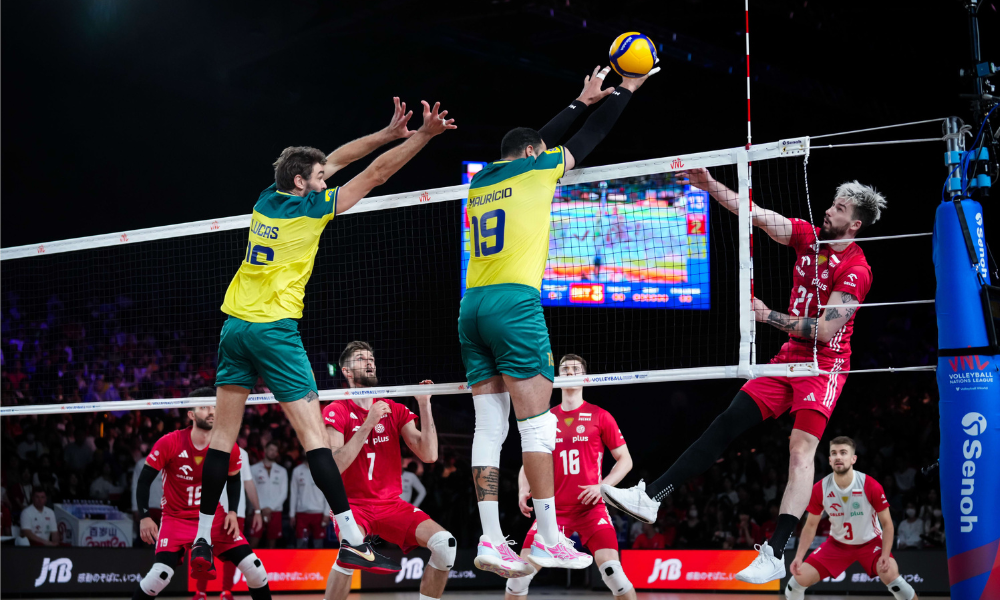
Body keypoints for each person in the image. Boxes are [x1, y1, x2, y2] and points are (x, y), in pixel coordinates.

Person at [193, 98, 456, 578]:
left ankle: (200, 538)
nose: (325, 181)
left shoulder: (265, 199)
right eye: (318, 179)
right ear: (302, 184)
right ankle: (353, 538)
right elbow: (372, 175)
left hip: (233, 328)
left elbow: (333, 159)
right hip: (274, 331)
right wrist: (422, 136)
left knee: (222, 441)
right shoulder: (314, 209)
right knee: (314, 438)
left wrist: (385, 132)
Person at [602, 172, 886, 584]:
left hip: (823, 366)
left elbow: (825, 331)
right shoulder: (808, 237)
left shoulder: (857, 269)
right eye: (832, 204)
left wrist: (765, 314)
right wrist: (709, 183)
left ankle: (775, 552)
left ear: (855, 224)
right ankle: (651, 497)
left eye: (839, 209)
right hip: (789, 358)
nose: (828, 210)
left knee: (800, 452)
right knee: (726, 423)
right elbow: (752, 213)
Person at [459, 64, 654, 577]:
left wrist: (581, 99)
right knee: (538, 427)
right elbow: (592, 137)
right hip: (514, 306)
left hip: (471, 307)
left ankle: (491, 540)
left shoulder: (483, 180)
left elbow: (532, 141)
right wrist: (624, 91)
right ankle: (547, 539)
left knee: (488, 430)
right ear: (532, 155)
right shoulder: (538, 168)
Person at [322, 341, 455, 600]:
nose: (369, 361)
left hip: (392, 505)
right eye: (361, 358)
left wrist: (424, 405)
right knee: (352, 549)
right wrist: (368, 423)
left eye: (371, 357)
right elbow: (334, 466)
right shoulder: (336, 410)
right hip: (353, 506)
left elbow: (429, 455)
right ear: (347, 372)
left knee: (445, 544)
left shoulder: (393, 408)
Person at [505, 354, 636, 599]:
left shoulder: (600, 416)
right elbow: (529, 463)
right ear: (558, 376)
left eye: (576, 369)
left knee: (614, 574)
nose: (570, 373)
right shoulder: (545, 419)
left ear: (585, 377)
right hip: (551, 512)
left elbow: (625, 460)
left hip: (591, 509)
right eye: (565, 369)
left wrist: (602, 487)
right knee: (517, 580)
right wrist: (523, 488)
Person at [132, 389, 272, 600]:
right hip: (176, 519)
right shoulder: (170, 442)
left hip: (215, 519)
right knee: (159, 576)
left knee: (256, 569)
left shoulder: (227, 445)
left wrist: (233, 511)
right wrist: (144, 517)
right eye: (204, 406)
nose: (211, 411)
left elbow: (234, 480)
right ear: (191, 414)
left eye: (214, 406)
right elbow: (143, 481)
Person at [785, 437, 918, 600]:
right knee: (794, 583)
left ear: (853, 459)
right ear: (829, 460)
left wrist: (885, 553)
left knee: (892, 577)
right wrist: (799, 557)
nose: (838, 457)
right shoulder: (820, 488)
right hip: (837, 545)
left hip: (870, 543)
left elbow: (887, 524)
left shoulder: (870, 485)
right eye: (834, 453)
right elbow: (810, 525)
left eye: (843, 453)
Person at [197, 446, 263, 600]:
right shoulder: (205, 449)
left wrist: (258, 511)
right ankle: (200, 592)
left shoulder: (242, 453)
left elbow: (248, 482)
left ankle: (226, 591)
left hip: (235, 512)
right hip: (209, 510)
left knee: (232, 553)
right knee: (203, 549)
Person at [249, 442, 287, 549]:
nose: (273, 453)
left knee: (272, 544)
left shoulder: (282, 471)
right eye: (271, 449)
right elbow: (251, 491)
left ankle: (270, 565)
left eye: (275, 451)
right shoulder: (253, 469)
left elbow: (283, 493)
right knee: (253, 542)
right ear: (265, 450)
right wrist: (260, 508)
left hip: (275, 511)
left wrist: (270, 508)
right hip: (258, 510)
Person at [289, 460, 329, 548]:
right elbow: (293, 493)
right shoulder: (297, 470)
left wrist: (326, 513)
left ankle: (319, 562)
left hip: (319, 513)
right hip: (302, 513)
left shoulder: (323, 469)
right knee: (301, 544)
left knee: (318, 545)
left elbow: (328, 492)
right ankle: (301, 562)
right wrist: (292, 514)